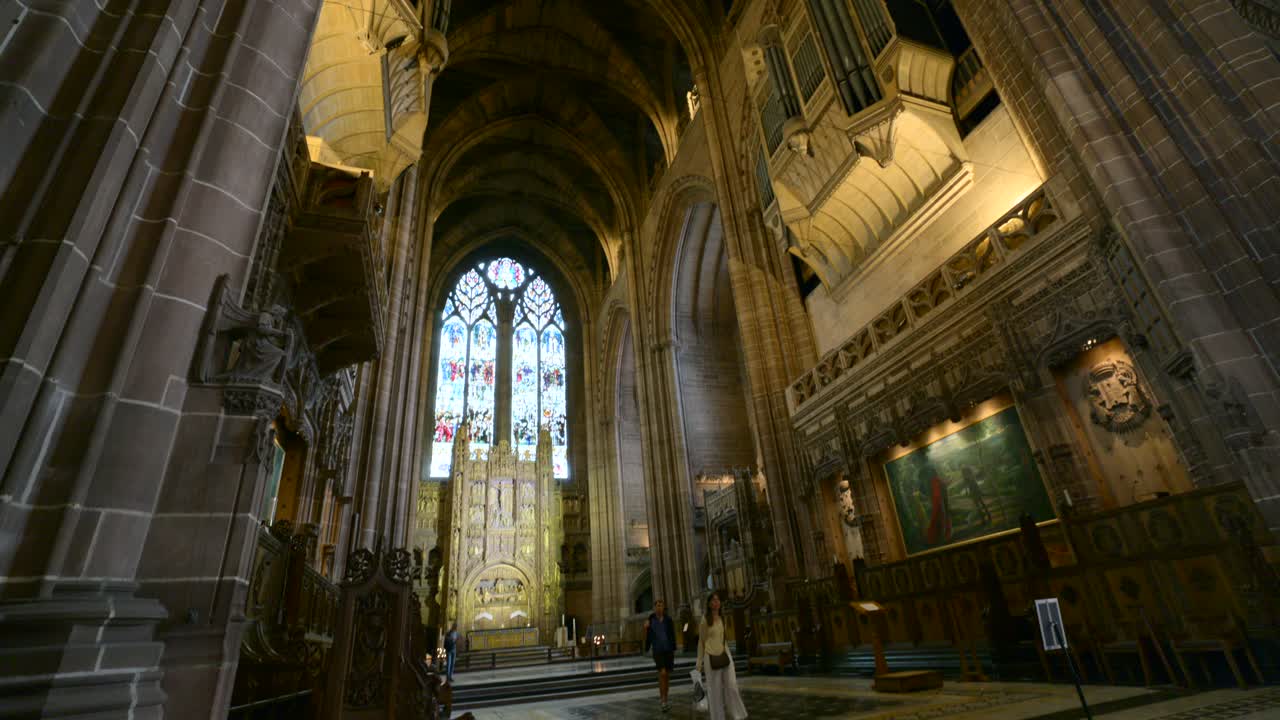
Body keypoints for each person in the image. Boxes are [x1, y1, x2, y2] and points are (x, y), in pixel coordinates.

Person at [697, 591, 747, 720]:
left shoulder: (722, 617)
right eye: (713, 600)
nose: (716, 602)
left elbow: (723, 639)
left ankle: (738, 715)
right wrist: (699, 663)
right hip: (710, 656)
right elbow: (701, 642)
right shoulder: (704, 620)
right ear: (709, 603)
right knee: (715, 691)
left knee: (732, 685)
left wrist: (729, 655)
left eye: (718, 600)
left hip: (724, 655)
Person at [643, 599, 677, 712]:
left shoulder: (668, 620)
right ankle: (663, 701)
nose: (659, 607)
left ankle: (665, 699)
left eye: (661, 605)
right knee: (662, 673)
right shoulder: (650, 620)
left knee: (666, 676)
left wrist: (674, 648)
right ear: (654, 608)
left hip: (668, 650)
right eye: (657, 605)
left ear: (664, 607)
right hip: (657, 651)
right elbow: (646, 636)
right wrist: (645, 628)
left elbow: (672, 634)